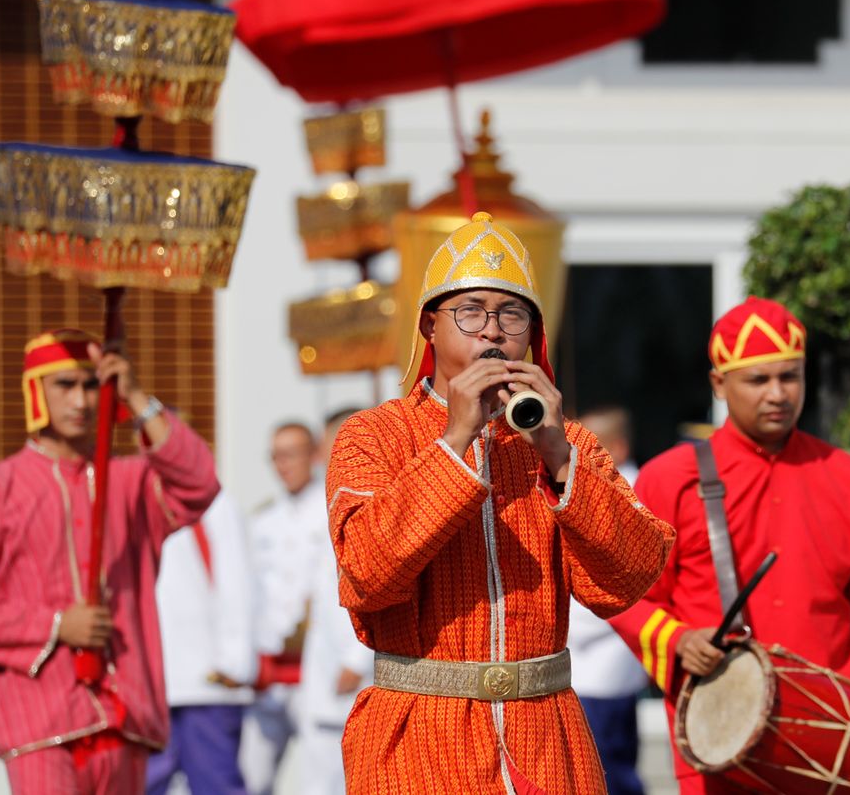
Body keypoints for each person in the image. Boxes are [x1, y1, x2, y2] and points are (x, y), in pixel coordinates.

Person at [326, 211, 674, 794]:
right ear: (430, 326)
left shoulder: (569, 441)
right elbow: (366, 574)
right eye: (470, 311)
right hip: (418, 735)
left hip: (547, 735)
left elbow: (631, 577)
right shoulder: (373, 435)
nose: (492, 331)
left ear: (533, 334)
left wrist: (558, 457)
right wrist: (455, 440)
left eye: (511, 314)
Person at [607, 297, 850, 794]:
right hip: (721, 741)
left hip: (837, 743)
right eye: (758, 380)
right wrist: (679, 640)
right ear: (719, 384)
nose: (777, 394)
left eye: (790, 377)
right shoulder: (669, 479)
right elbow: (624, 595)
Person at [0, 329, 221, 793]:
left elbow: (201, 483)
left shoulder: (131, 483)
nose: (81, 401)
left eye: (91, 386)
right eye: (65, 385)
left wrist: (136, 397)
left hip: (125, 717)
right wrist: (55, 626)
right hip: (39, 721)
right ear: (35, 391)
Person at [146, 488, 254, 795]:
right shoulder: (136, 494)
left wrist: (234, 663)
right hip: (152, 687)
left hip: (205, 685)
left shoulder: (214, 501)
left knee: (216, 786)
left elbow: (235, 582)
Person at [566, 407, 647, 795]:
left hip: (605, 655)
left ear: (618, 447)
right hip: (588, 658)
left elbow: (621, 580)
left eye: (591, 444)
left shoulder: (631, 490)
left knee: (608, 771)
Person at [241, 422, 323, 795]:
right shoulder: (263, 520)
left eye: (291, 454)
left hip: (317, 667)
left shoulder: (330, 511)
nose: (283, 465)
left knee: (320, 781)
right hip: (271, 668)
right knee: (252, 776)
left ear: (313, 455)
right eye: (276, 456)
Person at [292, 408, 371, 795]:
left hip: (357, 667)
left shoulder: (373, 500)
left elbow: (374, 584)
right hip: (321, 669)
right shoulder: (313, 506)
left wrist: (357, 660)